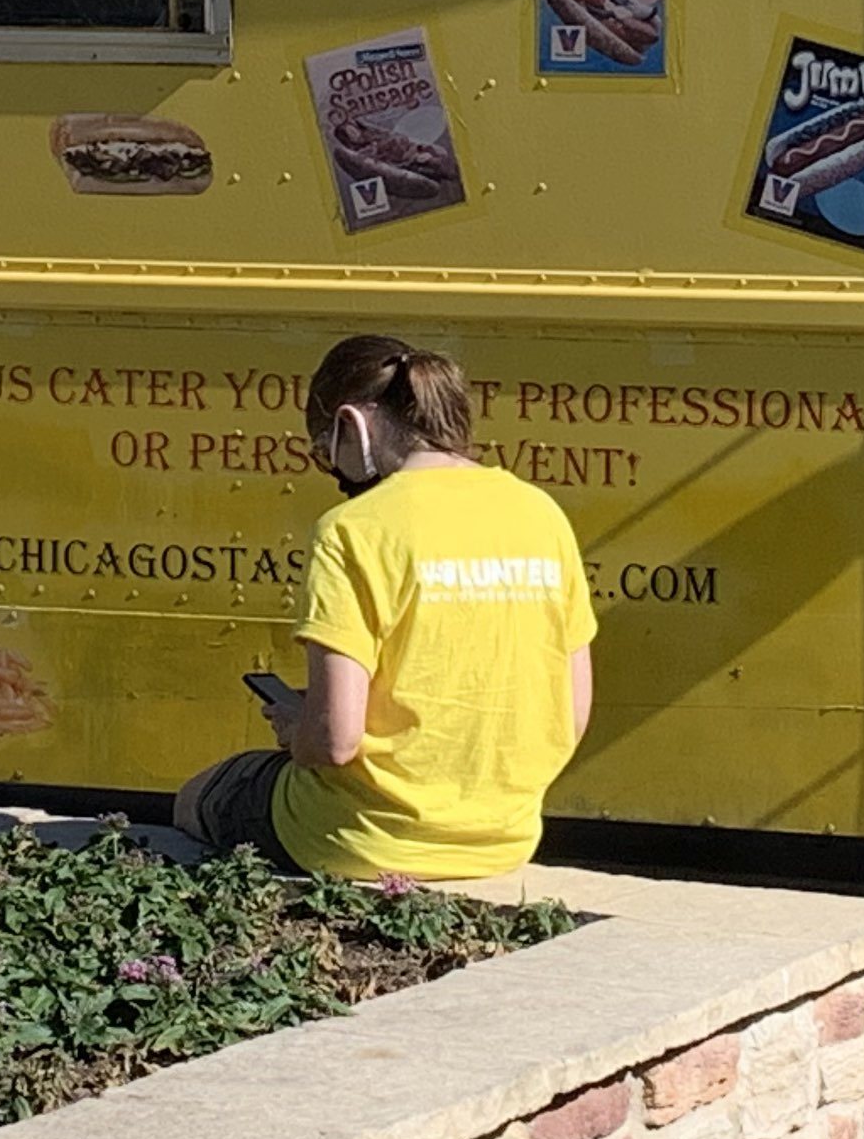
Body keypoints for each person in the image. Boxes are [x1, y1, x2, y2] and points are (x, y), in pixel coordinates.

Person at [172, 333, 595, 879]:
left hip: (358, 839)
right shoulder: (541, 514)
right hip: (503, 839)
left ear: (352, 424)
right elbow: (573, 708)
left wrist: (299, 723)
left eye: (326, 452)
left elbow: (335, 741)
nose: (334, 473)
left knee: (201, 795)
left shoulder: (352, 531)